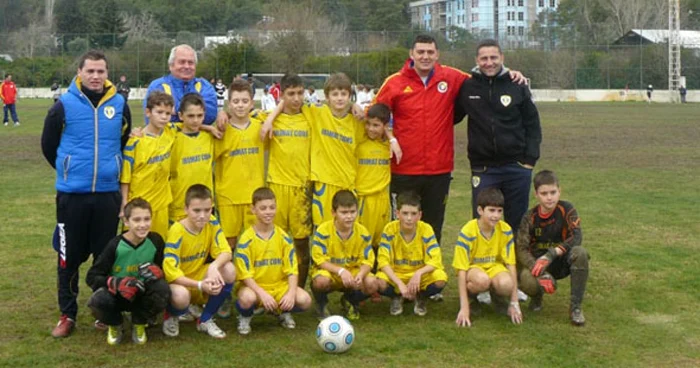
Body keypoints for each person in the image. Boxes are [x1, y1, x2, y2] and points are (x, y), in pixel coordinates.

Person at [374, 35, 526, 244]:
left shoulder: (452, 77)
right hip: (403, 169)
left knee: (434, 225)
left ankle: (431, 270)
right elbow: (374, 117)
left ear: (437, 54)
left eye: (430, 52)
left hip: (439, 169)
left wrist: (509, 73)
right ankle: (398, 270)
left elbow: (486, 74)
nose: (425, 57)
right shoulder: (394, 83)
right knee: (401, 223)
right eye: (420, 52)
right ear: (412, 54)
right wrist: (390, 138)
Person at [41, 50, 131, 337]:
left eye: (100, 71)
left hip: (107, 195)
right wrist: (70, 170)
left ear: (107, 74)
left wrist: (109, 169)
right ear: (79, 72)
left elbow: (124, 139)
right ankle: (67, 315)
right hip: (72, 197)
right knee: (68, 258)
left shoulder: (119, 104)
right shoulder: (63, 105)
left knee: (105, 258)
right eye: (90, 71)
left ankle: (103, 311)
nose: (95, 76)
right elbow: (48, 145)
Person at [454, 39, 542, 233]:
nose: (489, 62)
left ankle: (514, 263)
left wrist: (529, 161)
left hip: (516, 167)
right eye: (484, 58)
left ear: (502, 58)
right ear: (477, 60)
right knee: (483, 221)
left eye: (494, 57)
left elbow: (533, 124)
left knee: (517, 222)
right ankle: (483, 263)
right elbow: (451, 117)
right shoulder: (468, 87)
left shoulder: (517, 84)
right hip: (483, 168)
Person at [85, 198, 170, 345]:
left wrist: (159, 272)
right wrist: (115, 282)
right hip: (118, 296)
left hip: (142, 294)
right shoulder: (115, 245)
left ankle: (139, 322)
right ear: (126, 222)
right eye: (136, 220)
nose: (142, 225)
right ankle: (115, 323)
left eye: (146, 219)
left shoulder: (156, 241)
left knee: (162, 289)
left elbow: (164, 269)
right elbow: (92, 277)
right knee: (98, 300)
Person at [234, 187, 312, 335]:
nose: (268, 212)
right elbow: (245, 276)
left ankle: (282, 312)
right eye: (263, 208)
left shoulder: (283, 237)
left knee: (305, 300)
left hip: (278, 287)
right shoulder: (246, 239)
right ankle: (245, 316)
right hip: (255, 288)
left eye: (272, 207)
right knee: (246, 298)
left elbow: (292, 270)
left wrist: (290, 293)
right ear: (253, 209)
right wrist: (262, 294)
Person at [516, 170, 589, 326]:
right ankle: (537, 296)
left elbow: (577, 237)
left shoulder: (567, 208)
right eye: (544, 193)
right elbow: (521, 248)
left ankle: (575, 307)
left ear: (559, 191)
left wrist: (551, 254)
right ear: (536, 194)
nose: (549, 197)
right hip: (539, 266)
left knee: (580, 253)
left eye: (553, 192)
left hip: (563, 261)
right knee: (525, 278)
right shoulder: (529, 217)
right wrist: (538, 269)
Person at [162, 184, 235, 339]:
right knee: (181, 296)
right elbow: (171, 274)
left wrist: (214, 267)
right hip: (180, 283)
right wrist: (201, 285)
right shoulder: (177, 230)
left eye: (207, 210)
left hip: (201, 277)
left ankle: (205, 318)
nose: (202, 215)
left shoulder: (212, 222)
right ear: (185, 209)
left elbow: (226, 251)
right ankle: (172, 315)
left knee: (229, 270)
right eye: (196, 211)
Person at [265, 74, 312, 288]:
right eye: (290, 94)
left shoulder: (312, 117)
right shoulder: (267, 117)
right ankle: (275, 285)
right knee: (275, 242)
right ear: (281, 95)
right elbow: (237, 117)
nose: (296, 98)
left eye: (300, 93)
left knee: (301, 243)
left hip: (302, 189)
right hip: (276, 186)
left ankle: (299, 291)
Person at [453, 187, 523, 328]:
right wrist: (464, 308)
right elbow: (461, 269)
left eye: (499, 211)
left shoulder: (505, 229)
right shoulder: (468, 231)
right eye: (491, 210)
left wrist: (514, 303)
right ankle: (471, 299)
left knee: (507, 283)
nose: (496, 216)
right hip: (473, 270)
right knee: (481, 280)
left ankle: (497, 297)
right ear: (480, 211)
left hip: (494, 268)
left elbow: (510, 264)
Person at [376, 192, 447, 316]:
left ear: (419, 215)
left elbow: (436, 260)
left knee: (440, 278)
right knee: (379, 282)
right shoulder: (389, 229)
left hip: (418, 276)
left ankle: (420, 297)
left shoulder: (426, 229)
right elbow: (383, 262)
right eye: (405, 213)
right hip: (397, 274)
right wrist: (399, 283)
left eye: (413, 214)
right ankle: (397, 297)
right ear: (397, 214)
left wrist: (419, 273)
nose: (409, 218)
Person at [213, 79, 266, 249]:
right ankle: (230, 276)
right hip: (228, 196)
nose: (240, 106)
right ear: (229, 104)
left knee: (255, 243)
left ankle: (252, 276)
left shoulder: (261, 127)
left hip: (253, 196)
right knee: (229, 244)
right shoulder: (221, 130)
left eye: (244, 101)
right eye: (235, 101)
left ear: (252, 103)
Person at [310, 190, 377, 320]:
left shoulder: (362, 232)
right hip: (331, 272)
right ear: (333, 213)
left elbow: (368, 261)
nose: (349, 217)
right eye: (344, 212)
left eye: (352, 212)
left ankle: (350, 300)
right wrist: (340, 271)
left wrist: (361, 275)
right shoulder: (323, 231)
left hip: (352, 272)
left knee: (372, 283)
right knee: (320, 282)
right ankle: (321, 305)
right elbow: (319, 260)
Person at [120, 91, 176, 239]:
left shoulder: (170, 132)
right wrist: (124, 203)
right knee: (134, 246)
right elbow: (126, 177)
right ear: (148, 112)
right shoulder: (135, 141)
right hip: (139, 205)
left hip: (162, 204)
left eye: (168, 113)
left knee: (159, 245)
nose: (164, 117)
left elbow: (192, 125)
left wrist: (210, 127)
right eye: (159, 112)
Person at [144, 45, 222, 125]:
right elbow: (153, 121)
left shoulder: (205, 86)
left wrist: (175, 108)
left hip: (198, 137)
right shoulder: (158, 86)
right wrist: (194, 110)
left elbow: (210, 116)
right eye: (182, 62)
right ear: (171, 65)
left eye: (191, 62)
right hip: (167, 137)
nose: (187, 66)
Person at [168, 93, 214, 223]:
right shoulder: (172, 138)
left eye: (199, 116)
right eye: (191, 116)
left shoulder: (210, 137)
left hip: (205, 206)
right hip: (179, 206)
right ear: (181, 116)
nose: (195, 120)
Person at [356, 103, 392, 249]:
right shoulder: (360, 142)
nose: (371, 129)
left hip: (383, 198)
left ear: (385, 126)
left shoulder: (389, 145)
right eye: (368, 124)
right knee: (363, 240)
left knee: (380, 240)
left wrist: (392, 139)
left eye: (376, 125)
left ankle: (377, 270)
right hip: (364, 198)